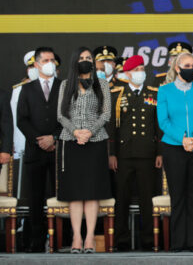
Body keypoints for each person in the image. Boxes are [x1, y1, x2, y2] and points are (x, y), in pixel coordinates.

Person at [56, 47, 112, 254]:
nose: (86, 61)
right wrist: (76, 132)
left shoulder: (102, 84)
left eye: (89, 58)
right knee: (75, 193)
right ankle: (76, 238)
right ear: (75, 61)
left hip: (95, 141)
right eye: (82, 58)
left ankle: (89, 238)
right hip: (71, 142)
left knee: (91, 192)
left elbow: (106, 114)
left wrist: (89, 132)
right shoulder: (65, 85)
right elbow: (61, 115)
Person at [157, 51, 193, 252]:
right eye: (187, 66)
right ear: (177, 68)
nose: (191, 69)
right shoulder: (164, 91)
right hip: (174, 148)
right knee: (178, 194)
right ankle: (178, 242)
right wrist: (181, 138)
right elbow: (163, 121)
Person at [109, 55, 162, 251]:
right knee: (121, 199)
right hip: (123, 155)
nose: (141, 73)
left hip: (147, 153)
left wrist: (160, 152)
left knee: (147, 200)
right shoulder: (117, 94)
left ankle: (148, 241)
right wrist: (111, 154)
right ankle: (121, 241)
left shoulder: (153, 93)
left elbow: (158, 127)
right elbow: (111, 127)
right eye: (137, 69)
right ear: (128, 73)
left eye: (142, 69)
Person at [16, 47, 62, 252]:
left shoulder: (64, 87)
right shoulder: (27, 89)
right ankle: (36, 239)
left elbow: (69, 117)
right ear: (36, 64)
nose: (50, 63)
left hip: (58, 150)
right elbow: (22, 120)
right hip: (35, 151)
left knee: (60, 196)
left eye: (52, 60)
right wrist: (39, 140)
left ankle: (62, 238)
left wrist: (54, 137)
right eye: (45, 60)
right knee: (35, 198)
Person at [10, 51, 38, 164]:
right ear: (28, 69)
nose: (34, 69)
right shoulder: (18, 90)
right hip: (22, 141)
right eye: (32, 66)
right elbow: (12, 118)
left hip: (46, 143)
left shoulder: (53, 87)